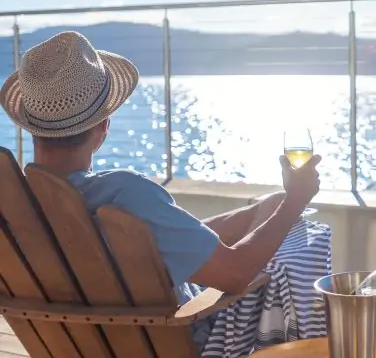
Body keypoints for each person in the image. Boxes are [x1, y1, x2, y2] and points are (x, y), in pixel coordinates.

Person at [0, 31, 331, 357]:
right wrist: (297, 200)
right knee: (299, 234)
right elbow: (234, 274)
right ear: (104, 126)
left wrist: (272, 207)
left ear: (30, 127)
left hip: (75, 345)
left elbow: (149, 244)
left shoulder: (15, 208)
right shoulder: (125, 194)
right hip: (185, 339)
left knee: (271, 205)